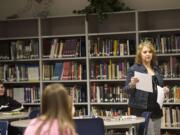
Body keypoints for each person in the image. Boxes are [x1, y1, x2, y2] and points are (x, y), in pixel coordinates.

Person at [123, 41, 169, 135]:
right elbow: (126, 90)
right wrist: (132, 84)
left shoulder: (156, 69)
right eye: (145, 52)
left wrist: (165, 89)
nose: (148, 54)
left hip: (156, 110)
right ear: (140, 54)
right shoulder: (134, 69)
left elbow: (158, 86)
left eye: (150, 51)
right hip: (142, 111)